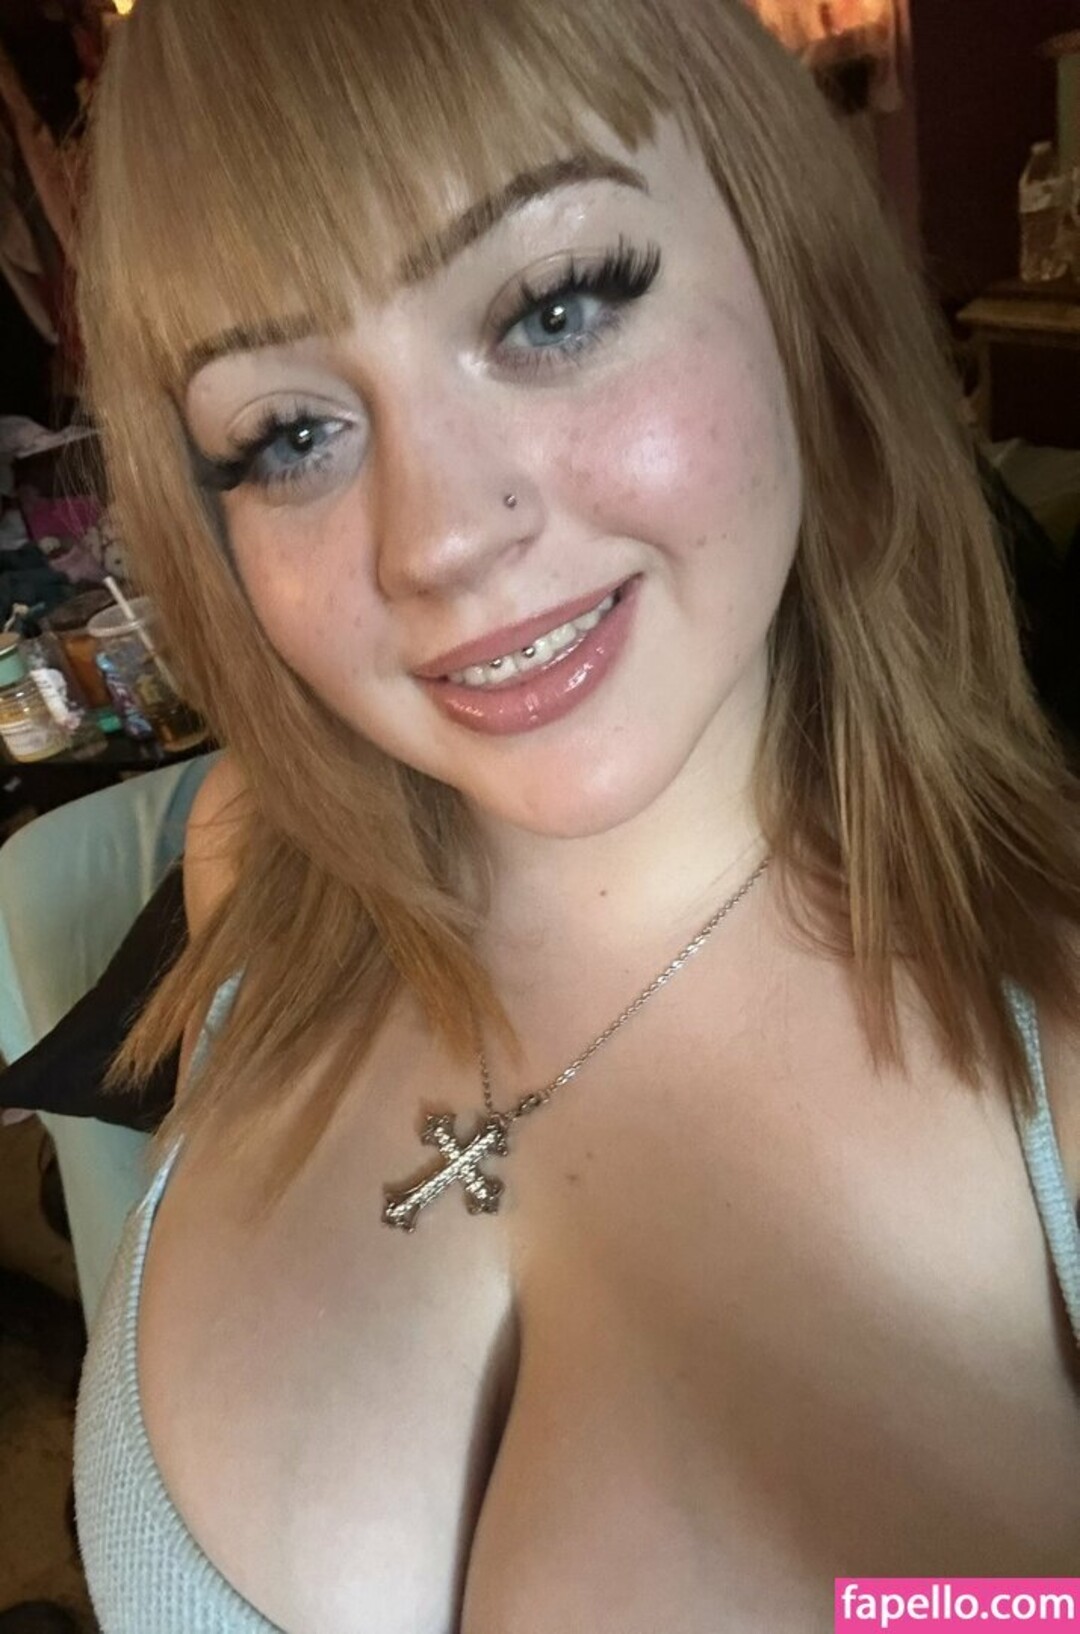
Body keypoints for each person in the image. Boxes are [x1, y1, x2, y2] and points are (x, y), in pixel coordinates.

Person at [71, 0, 1080, 1629]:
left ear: (791, 270)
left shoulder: (1053, 1023)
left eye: (553, 307)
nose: (437, 541)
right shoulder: (257, 862)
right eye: (292, 432)